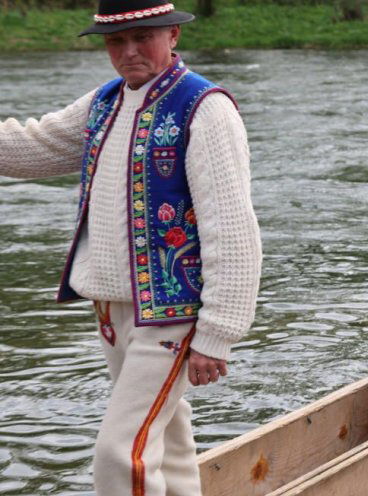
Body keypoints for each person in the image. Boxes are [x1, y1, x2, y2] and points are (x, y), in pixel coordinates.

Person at [0, 1, 261, 494]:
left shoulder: (204, 108)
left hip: (175, 311)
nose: (129, 51)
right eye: (116, 41)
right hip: (114, 309)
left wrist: (218, 333)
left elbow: (232, 228)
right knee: (168, 439)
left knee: (121, 451)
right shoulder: (105, 101)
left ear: (172, 36)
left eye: (143, 37)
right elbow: (32, 148)